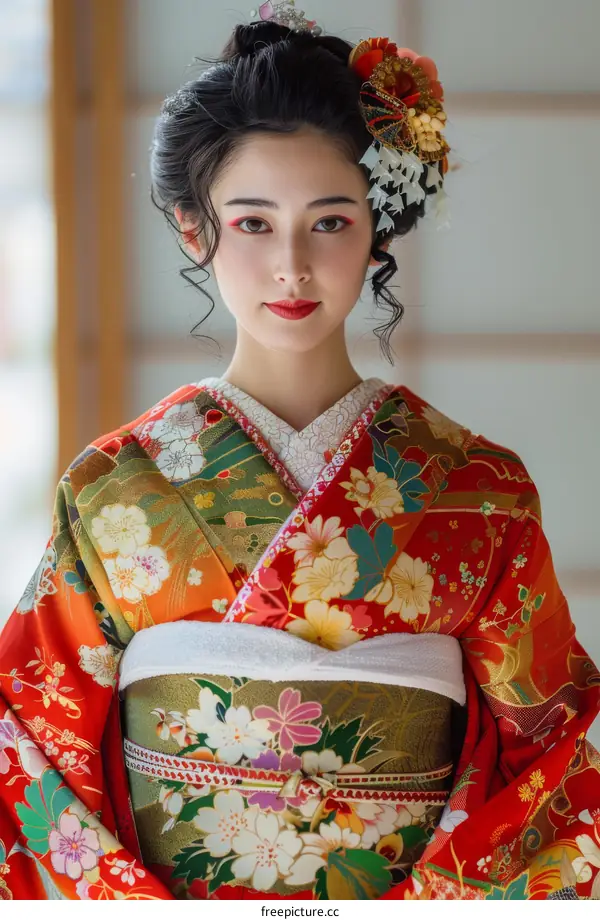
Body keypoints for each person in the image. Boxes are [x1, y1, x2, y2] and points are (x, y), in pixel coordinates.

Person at [0, 8, 599, 902]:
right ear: (192, 228)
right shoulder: (113, 485)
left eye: (329, 222)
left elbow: (550, 755)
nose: (291, 265)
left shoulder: (481, 489)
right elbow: (32, 743)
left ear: (378, 231)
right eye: (251, 223)